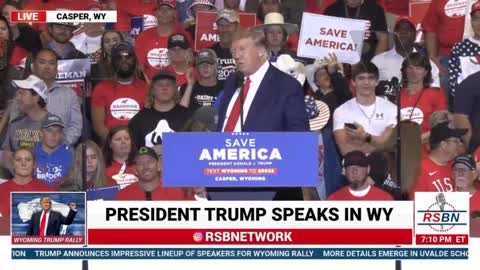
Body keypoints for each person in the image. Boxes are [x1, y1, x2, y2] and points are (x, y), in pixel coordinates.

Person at [211, 27, 308, 200]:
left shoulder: (286, 86)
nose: (236, 55)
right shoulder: (232, 81)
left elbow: (299, 138)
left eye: (242, 49)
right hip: (226, 180)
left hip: (269, 186)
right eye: (233, 50)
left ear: (262, 52)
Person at [333, 62, 397, 156]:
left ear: (377, 81)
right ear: (353, 82)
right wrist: (379, 144)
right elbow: (345, 150)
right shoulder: (341, 111)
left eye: (370, 78)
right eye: (361, 78)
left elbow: (389, 145)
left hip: (383, 167)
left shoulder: (392, 109)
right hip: (353, 168)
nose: (366, 82)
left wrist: (366, 138)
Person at [91, 42, 148, 142]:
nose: (124, 61)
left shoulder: (146, 88)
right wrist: (115, 144)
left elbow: (149, 123)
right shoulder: (101, 88)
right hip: (110, 146)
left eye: (128, 56)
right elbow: (98, 126)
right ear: (112, 62)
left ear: (135, 60)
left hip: (139, 145)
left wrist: (133, 145)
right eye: (119, 57)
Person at [371, 16, 440, 95]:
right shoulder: (377, 61)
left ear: (415, 35)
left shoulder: (428, 64)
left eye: (408, 30)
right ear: (394, 34)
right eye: (399, 29)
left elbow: (435, 94)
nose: (403, 32)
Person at [29, 48, 82, 146]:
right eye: (42, 62)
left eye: (51, 63)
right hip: (28, 152)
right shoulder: (24, 92)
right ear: (34, 67)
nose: (47, 67)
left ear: (57, 69)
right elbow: (15, 126)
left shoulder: (69, 94)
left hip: (60, 152)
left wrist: (61, 146)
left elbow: (76, 126)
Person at [129, 70, 193, 148]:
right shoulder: (139, 120)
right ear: (152, 90)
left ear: (175, 89)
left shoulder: (189, 117)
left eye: (168, 84)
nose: (164, 88)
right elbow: (133, 152)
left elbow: (197, 148)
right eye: (159, 85)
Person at [1, 75, 52, 171]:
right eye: (18, 94)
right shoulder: (15, 124)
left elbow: (59, 160)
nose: (18, 98)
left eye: (22, 93)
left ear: (36, 97)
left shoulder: (53, 125)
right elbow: (5, 158)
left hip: (44, 183)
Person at [0, 148, 54, 235]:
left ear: (34, 165)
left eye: (28, 160)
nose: (23, 164)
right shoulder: (1, 190)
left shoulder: (48, 191)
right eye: (18, 160)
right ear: (13, 164)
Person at [134, 0, 192, 80]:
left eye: (168, 9)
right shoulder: (143, 37)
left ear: (175, 13)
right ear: (155, 13)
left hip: (180, 85)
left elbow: (188, 65)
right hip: (153, 86)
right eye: (160, 9)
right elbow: (141, 68)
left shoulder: (184, 35)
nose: (164, 12)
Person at [399, 53, 447, 148]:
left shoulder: (436, 94)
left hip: (426, 146)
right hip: (400, 145)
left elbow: (441, 125)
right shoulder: (397, 94)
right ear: (404, 71)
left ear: (425, 72)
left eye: (419, 68)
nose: (414, 72)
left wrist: (417, 140)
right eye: (410, 68)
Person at [409, 122, 466, 199]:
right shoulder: (420, 170)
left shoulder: (457, 166)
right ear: (443, 144)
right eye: (456, 141)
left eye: (460, 141)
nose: (460, 144)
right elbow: (418, 205)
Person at [422, 0, 467, 92]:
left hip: (475, 54)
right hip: (446, 57)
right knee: (442, 90)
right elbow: (430, 28)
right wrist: (432, 57)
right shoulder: (437, 1)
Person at [115, 146, 193, 200]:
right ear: (135, 169)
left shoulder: (176, 195)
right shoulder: (123, 195)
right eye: (140, 163)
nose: (146, 166)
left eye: (150, 161)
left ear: (159, 165)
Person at [449, 2, 480, 109]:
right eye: (476, 19)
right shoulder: (459, 48)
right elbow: (454, 82)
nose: (479, 23)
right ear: (471, 21)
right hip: (468, 104)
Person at [327, 150, 394, 200]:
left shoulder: (385, 199)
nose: (354, 171)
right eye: (350, 167)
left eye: (359, 166)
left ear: (368, 169)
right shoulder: (333, 200)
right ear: (344, 171)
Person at [34, 115, 73, 187]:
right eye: (49, 130)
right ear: (41, 133)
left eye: (57, 131)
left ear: (61, 135)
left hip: (61, 197)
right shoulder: (31, 154)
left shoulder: (70, 156)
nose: (53, 135)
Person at [209, 9, 239, 82]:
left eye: (228, 25)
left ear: (236, 27)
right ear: (217, 28)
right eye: (221, 25)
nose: (225, 30)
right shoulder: (209, 53)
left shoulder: (244, 52)